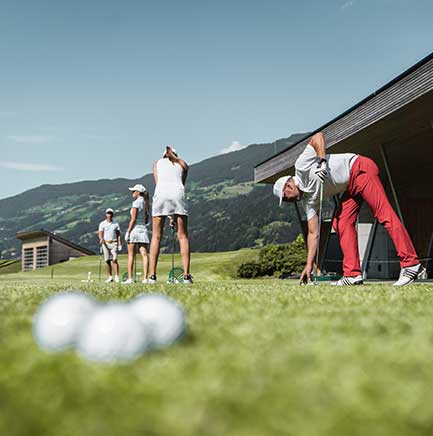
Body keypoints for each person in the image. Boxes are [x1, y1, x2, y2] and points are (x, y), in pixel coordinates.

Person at [273, 132, 426, 287]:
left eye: (285, 197)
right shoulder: (308, 202)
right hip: (351, 186)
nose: (287, 201)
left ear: (288, 185)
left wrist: (322, 162)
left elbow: (318, 137)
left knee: (383, 214)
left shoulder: (301, 166)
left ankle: (411, 265)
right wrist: (308, 265)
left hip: (360, 168)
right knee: (341, 222)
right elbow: (313, 233)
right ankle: (352, 274)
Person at [148, 146, 192, 284]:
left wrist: (168, 215)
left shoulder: (157, 164)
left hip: (161, 194)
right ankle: (186, 276)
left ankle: (152, 276)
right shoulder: (181, 164)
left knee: (156, 236)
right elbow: (181, 184)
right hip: (177, 194)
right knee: (183, 236)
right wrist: (172, 216)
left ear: (164, 156)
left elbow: (158, 184)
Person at [123, 184, 150, 285]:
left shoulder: (136, 203)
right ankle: (145, 278)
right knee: (144, 254)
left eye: (134, 191)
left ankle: (130, 278)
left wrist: (128, 232)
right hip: (143, 230)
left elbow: (133, 219)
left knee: (131, 255)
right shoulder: (146, 203)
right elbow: (146, 219)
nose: (132, 193)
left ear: (138, 192)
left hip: (135, 230)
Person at [98, 208, 122, 283]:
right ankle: (110, 277)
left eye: (110, 213)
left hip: (114, 243)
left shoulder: (116, 223)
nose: (109, 215)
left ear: (112, 214)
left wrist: (119, 243)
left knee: (114, 259)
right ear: (106, 214)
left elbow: (118, 234)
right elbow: (100, 233)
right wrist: (101, 239)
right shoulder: (102, 224)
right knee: (107, 260)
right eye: (108, 213)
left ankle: (117, 276)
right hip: (105, 243)